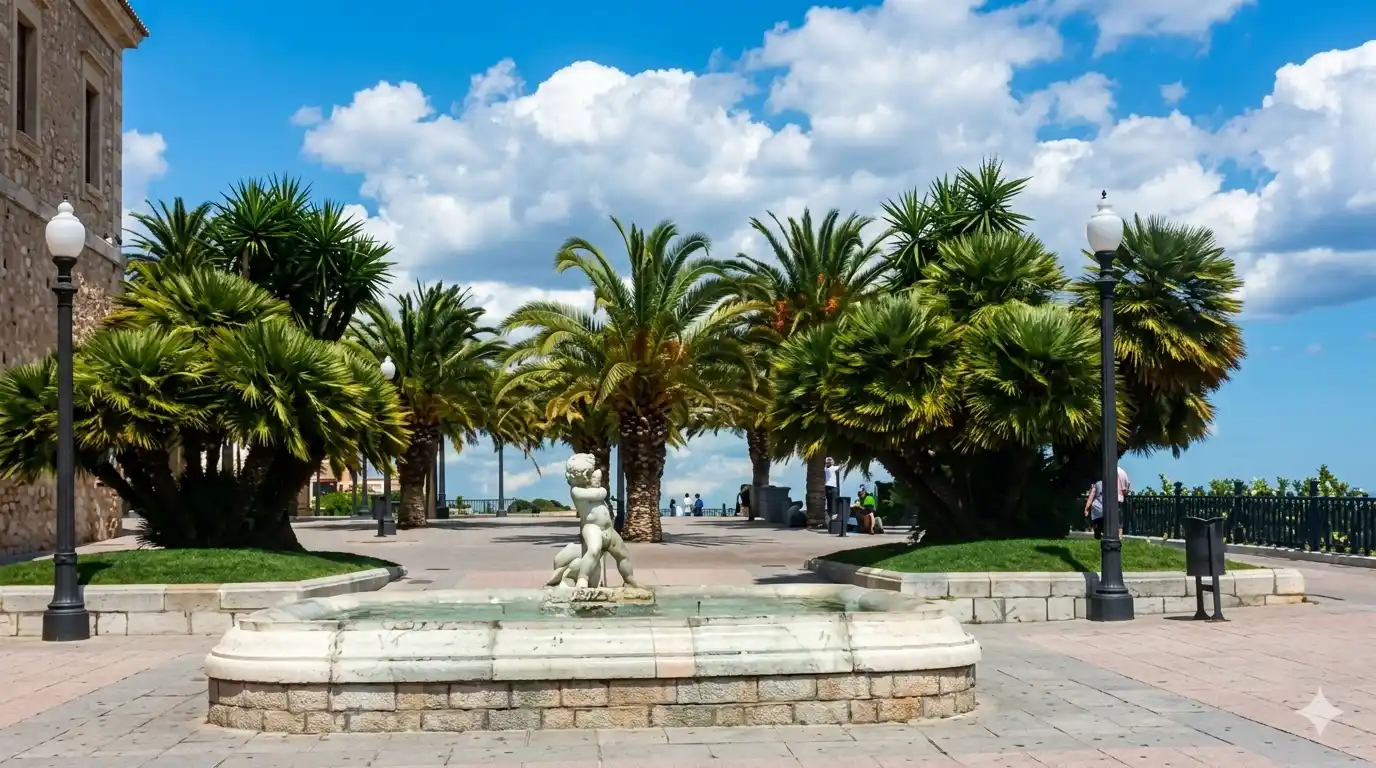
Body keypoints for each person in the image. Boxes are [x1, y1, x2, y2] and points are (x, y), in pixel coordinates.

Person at [1084, 466, 1131, 539]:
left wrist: (1087, 508)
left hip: (1097, 508)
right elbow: (1126, 489)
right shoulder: (1121, 474)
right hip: (1114, 502)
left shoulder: (1098, 483)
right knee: (1117, 520)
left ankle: (1098, 534)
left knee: (1098, 523)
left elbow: (1092, 495)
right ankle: (1118, 536)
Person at [823, 457, 839, 528]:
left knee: (829, 502)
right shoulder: (833, 468)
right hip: (832, 487)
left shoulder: (825, 468)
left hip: (827, 487)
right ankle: (833, 515)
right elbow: (840, 466)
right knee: (833, 502)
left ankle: (830, 515)